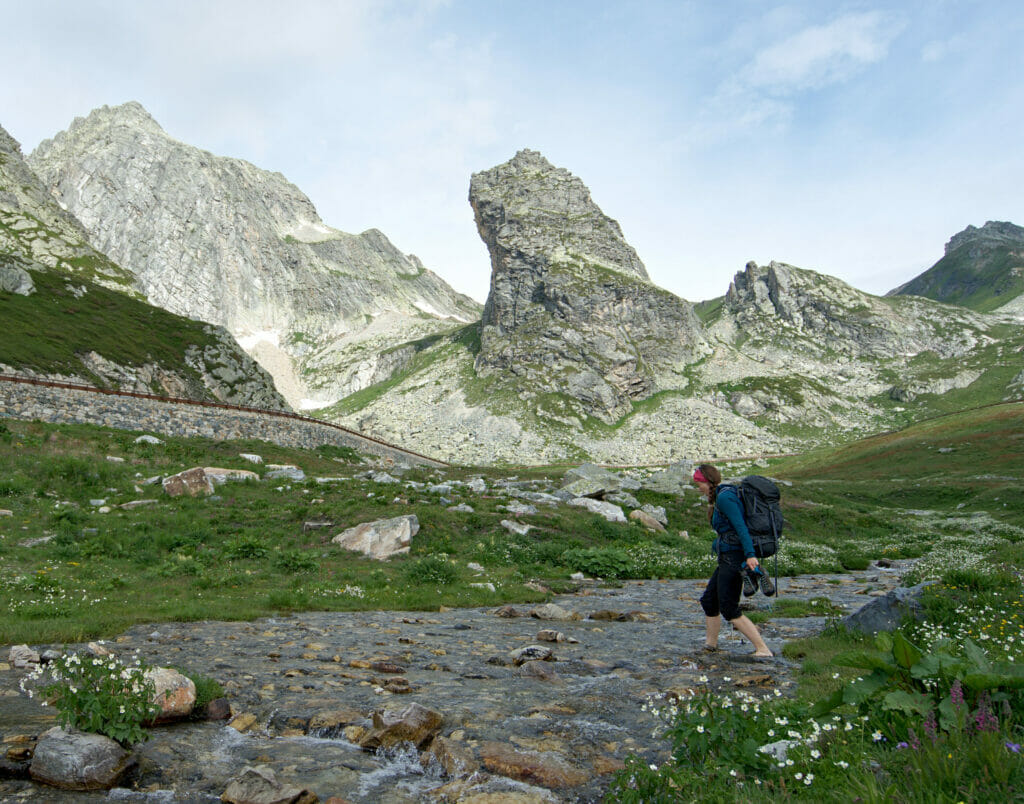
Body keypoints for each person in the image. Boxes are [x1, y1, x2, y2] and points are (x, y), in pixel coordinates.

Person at [693, 463, 773, 658]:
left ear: (708, 481)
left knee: (729, 607)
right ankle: (711, 646)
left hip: (734, 559)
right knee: (710, 601)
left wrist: (750, 555)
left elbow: (740, 527)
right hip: (726, 557)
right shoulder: (720, 497)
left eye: (699, 483)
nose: (698, 488)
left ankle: (763, 649)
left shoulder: (726, 498)